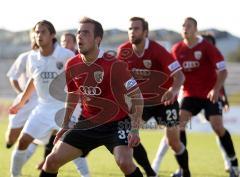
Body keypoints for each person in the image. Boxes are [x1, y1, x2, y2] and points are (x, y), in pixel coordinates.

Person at [39, 17, 144, 177]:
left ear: (97, 39)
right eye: (78, 32)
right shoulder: (72, 64)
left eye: (86, 33)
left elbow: (137, 96)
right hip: (87, 122)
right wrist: (66, 123)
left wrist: (135, 129)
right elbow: (73, 94)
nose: (79, 36)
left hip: (117, 123)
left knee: (125, 162)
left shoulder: (114, 65)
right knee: (51, 161)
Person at [9, 20, 90, 177]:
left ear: (52, 35)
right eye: (37, 32)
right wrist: (21, 102)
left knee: (69, 146)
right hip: (43, 107)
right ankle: (15, 175)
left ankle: (86, 175)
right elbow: (33, 80)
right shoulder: (32, 58)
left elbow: (81, 78)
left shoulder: (66, 55)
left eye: (43, 32)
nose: (39, 35)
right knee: (22, 141)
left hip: (65, 107)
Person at [117, 17, 190, 177]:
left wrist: (173, 89)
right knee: (130, 135)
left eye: (136, 29)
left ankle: (186, 172)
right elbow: (117, 78)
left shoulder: (158, 50)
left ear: (145, 32)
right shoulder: (123, 51)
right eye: (130, 29)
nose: (132, 32)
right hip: (141, 103)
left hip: (165, 101)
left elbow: (179, 76)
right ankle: (151, 173)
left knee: (173, 142)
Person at [151, 33, 232, 174]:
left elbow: (219, 78)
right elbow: (172, 72)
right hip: (187, 96)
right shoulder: (181, 51)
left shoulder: (211, 57)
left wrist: (223, 97)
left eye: (209, 45)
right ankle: (159, 164)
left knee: (218, 128)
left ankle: (229, 162)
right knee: (174, 131)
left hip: (209, 98)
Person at [170, 17, 239, 177]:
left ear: (195, 29)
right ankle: (183, 169)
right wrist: (171, 89)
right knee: (179, 125)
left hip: (209, 94)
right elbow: (172, 73)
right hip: (189, 94)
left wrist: (216, 90)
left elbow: (223, 71)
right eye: (183, 26)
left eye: (189, 26)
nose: (185, 28)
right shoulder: (176, 49)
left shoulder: (207, 47)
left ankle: (234, 163)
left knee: (218, 127)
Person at [5, 29, 38, 149]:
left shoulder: (53, 58)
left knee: (41, 134)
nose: (38, 39)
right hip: (24, 102)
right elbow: (13, 77)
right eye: (35, 36)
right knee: (11, 138)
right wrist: (21, 93)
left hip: (43, 103)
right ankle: (11, 142)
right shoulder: (25, 57)